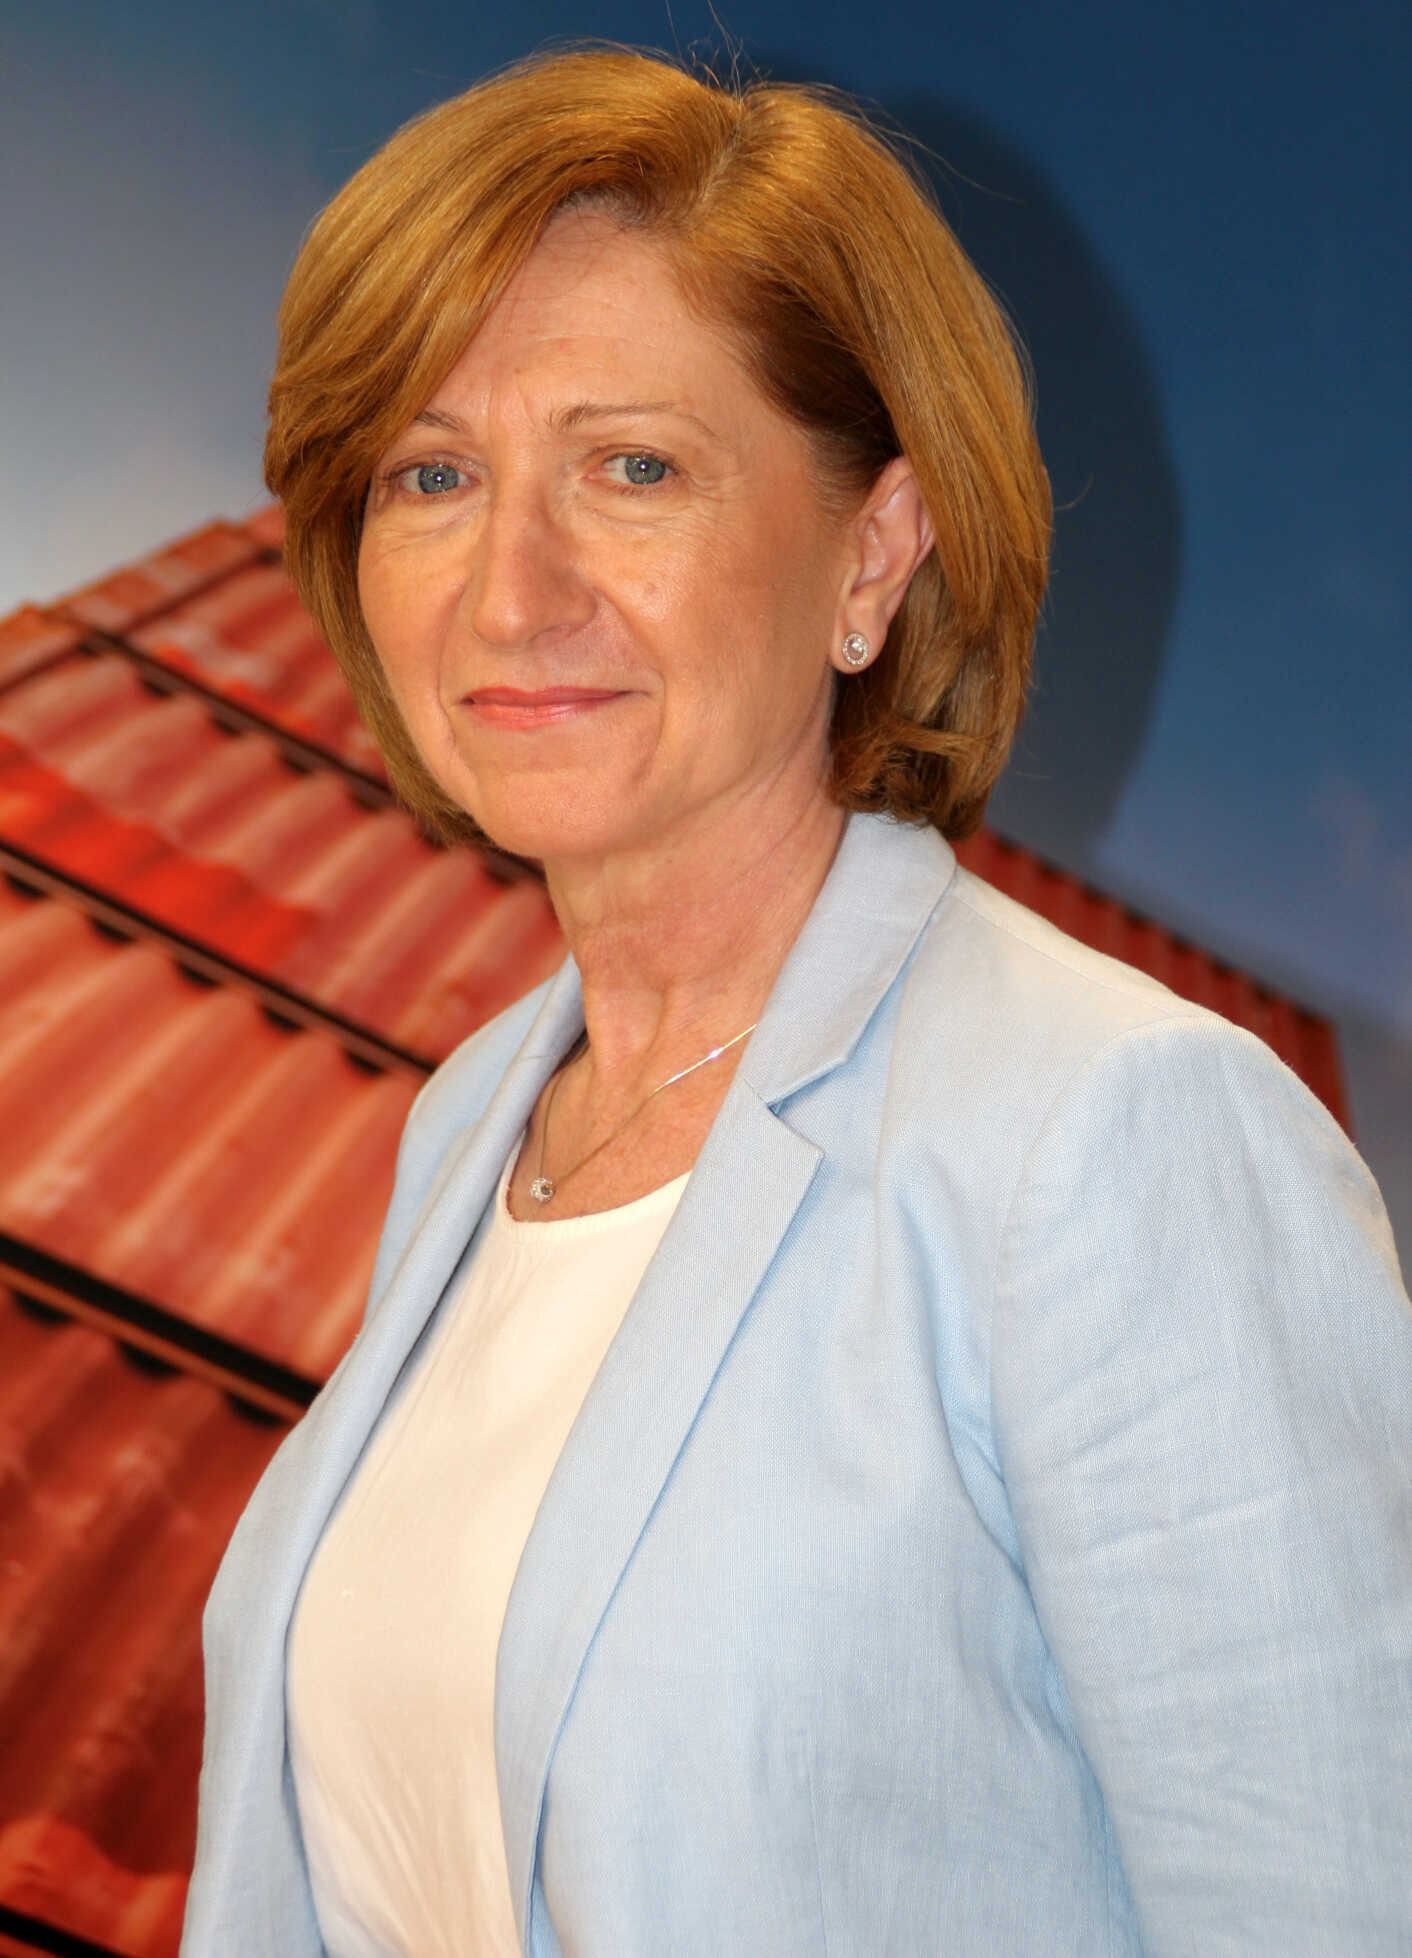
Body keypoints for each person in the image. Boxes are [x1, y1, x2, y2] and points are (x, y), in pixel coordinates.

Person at [181, 46, 1412, 1958]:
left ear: (873, 551)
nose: (512, 591)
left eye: (634, 468)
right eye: (433, 474)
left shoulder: (1116, 1133)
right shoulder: (471, 1130)